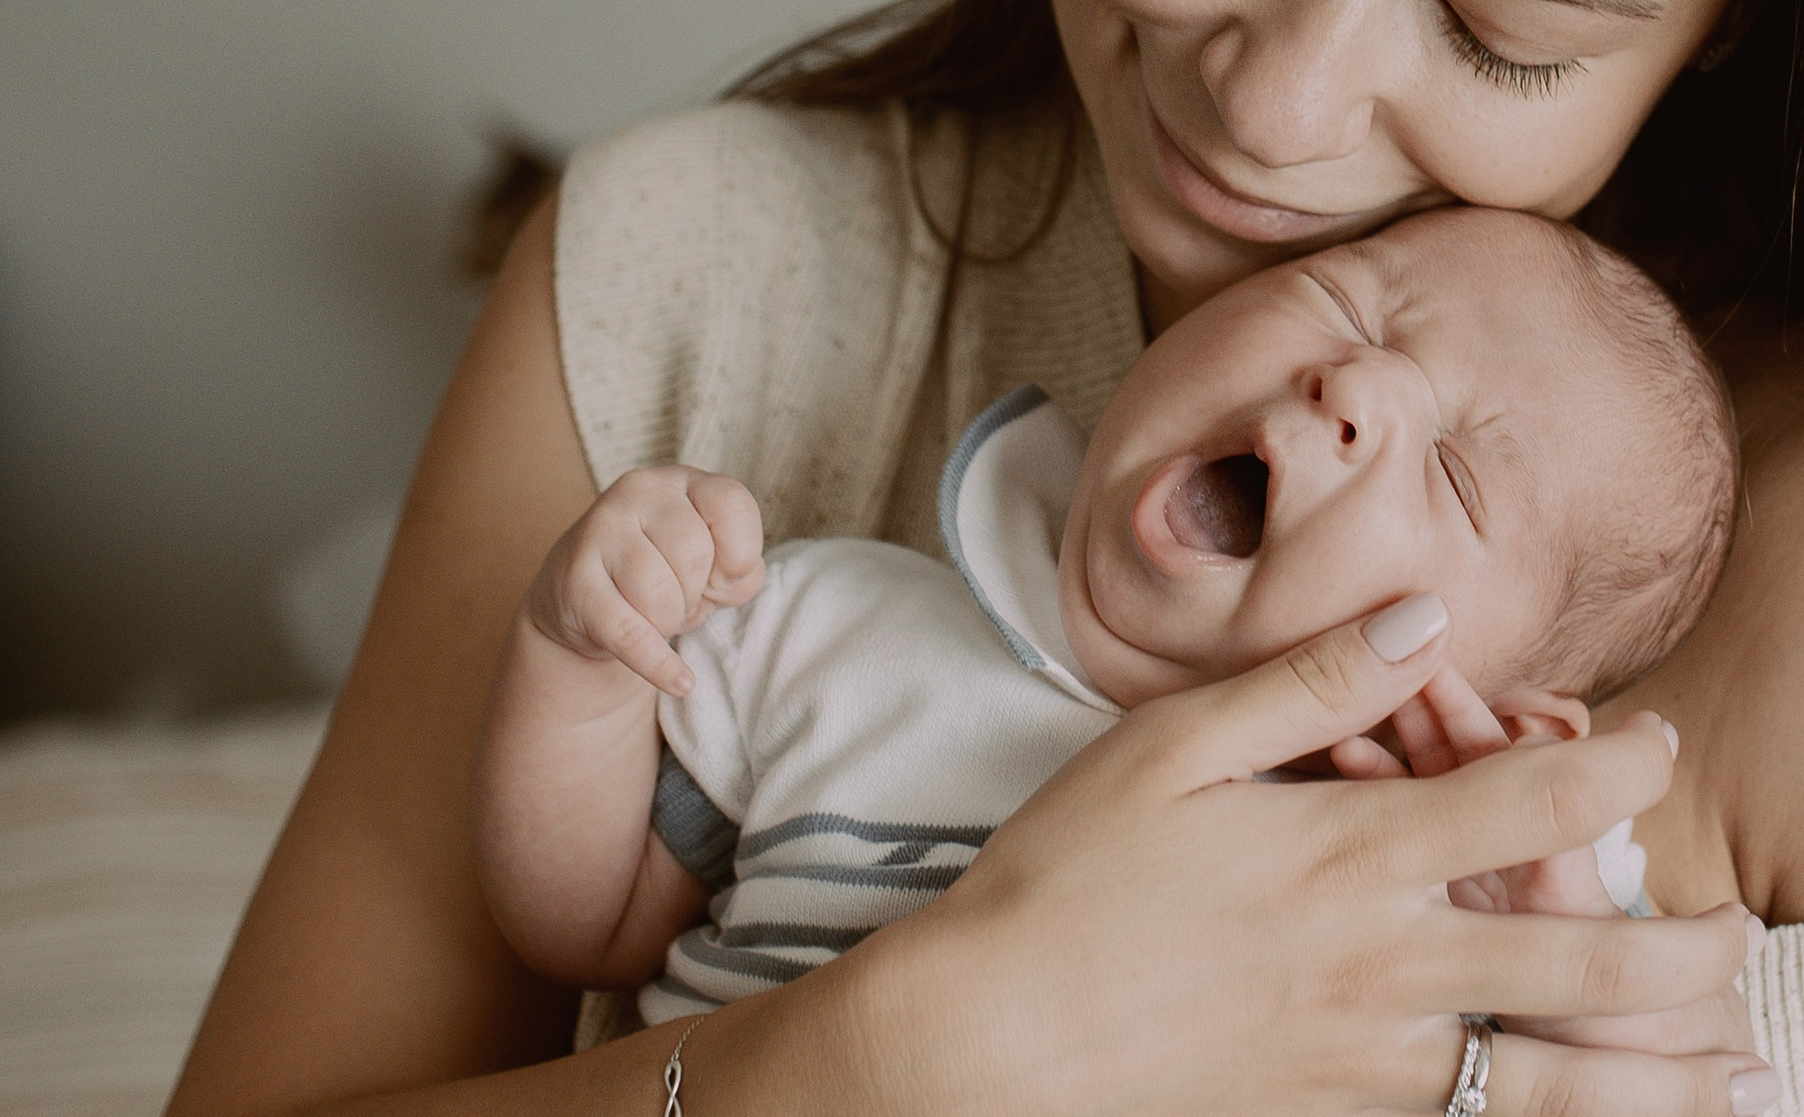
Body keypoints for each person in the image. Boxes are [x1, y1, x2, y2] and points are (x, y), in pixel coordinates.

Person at [171, 0, 1804, 1115]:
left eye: (1498, 31)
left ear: (1735, 22)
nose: (1274, 103)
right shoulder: (698, 286)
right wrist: (896, 1062)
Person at [470, 208, 1739, 1034]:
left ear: (1501, 715)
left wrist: (1548, 943)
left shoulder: (1432, 865)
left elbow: (1639, 1047)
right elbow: (591, 926)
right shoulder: (824, 619)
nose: (1354, 382)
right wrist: (577, 662)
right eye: (1351, 304)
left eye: (1455, 473)